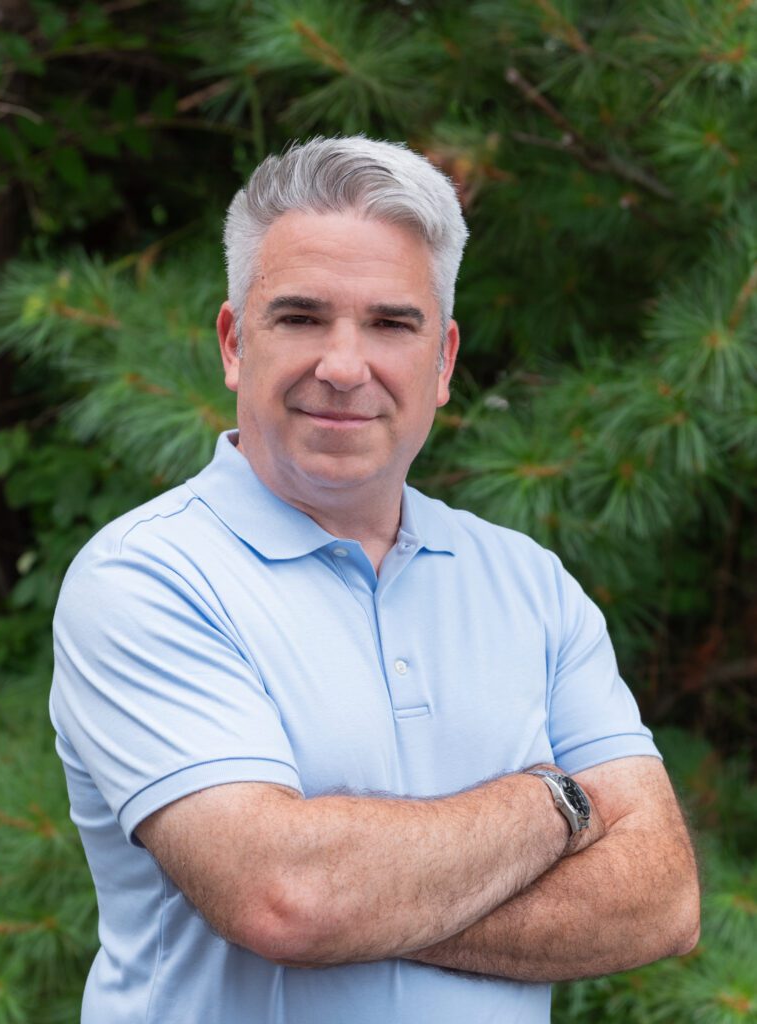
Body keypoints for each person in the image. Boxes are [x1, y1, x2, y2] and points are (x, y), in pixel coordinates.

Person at [51, 136, 700, 1024]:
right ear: (235, 342)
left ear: (442, 361)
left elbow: (660, 901)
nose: (345, 367)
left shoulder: (531, 585)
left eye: (392, 324)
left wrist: (363, 896)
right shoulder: (145, 580)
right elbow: (284, 897)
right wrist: (559, 800)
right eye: (301, 317)